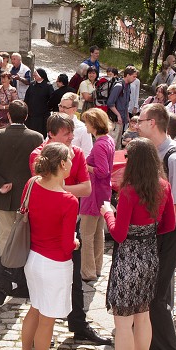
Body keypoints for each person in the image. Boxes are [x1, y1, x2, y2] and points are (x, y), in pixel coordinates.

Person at [29, 113, 110, 345]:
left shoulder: (76, 153)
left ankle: (78, 324)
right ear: (52, 135)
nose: (72, 138)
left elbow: (86, 189)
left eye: (72, 133)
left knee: (75, 281)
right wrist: (64, 191)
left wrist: (59, 187)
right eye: (67, 134)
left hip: (69, 225)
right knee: (42, 290)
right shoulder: (38, 155)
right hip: (45, 232)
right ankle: (46, 330)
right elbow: (45, 187)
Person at [101, 138, 176, 350]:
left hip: (128, 260)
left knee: (123, 323)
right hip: (150, 256)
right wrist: (147, 233)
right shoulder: (164, 186)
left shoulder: (128, 191)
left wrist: (108, 213)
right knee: (143, 316)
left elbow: (119, 234)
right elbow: (169, 225)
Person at [136, 103, 176, 350]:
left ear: (153, 123)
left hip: (172, 231)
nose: (136, 124)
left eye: (140, 120)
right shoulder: (154, 152)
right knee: (158, 293)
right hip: (158, 231)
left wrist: (147, 214)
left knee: (156, 296)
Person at [21, 142, 79, 350]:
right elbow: (66, 246)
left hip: (32, 259)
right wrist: (75, 242)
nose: (72, 162)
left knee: (34, 310)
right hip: (54, 265)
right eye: (70, 159)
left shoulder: (32, 183)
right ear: (62, 164)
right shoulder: (69, 201)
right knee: (47, 321)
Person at [0, 100, 44, 253]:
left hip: (4, 194)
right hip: (28, 196)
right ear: (26, 117)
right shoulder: (37, 138)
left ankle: (6, 269)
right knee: (27, 236)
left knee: (5, 236)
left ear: (8, 115)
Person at [79, 108, 114, 282]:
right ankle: (96, 268)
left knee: (86, 233)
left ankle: (88, 271)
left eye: (86, 121)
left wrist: (86, 167)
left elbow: (102, 171)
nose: (85, 124)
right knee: (98, 232)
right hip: (102, 192)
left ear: (93, 124)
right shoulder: (108, 140)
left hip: (93, 193)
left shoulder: (100, 144)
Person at [107, 66, 138, 148]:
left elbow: (125, 104)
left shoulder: (128, 86)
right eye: (134, 76)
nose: (135, 79)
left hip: (121, 121)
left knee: (117, 144)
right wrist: (118, 115)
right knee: (112, 143)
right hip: (114, 120)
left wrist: (127, 116)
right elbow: (110, 103)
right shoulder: (119, 86)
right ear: (127, 75)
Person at [59, 93, 93, 157]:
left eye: (65, 107)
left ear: (74, 109)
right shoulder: (54, 124)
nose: (61, 110)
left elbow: (87, 154)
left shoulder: (83, 129)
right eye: (60, 106)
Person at [24, 68, 53, 136]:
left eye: (36, 75)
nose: (34, 77)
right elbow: (27, 96)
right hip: (31, 114)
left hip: (42, 115)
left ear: (41, 75)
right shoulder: (32, 84)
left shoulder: (48, 86)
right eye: (34, 76)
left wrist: (48, 109)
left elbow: (52, 99)